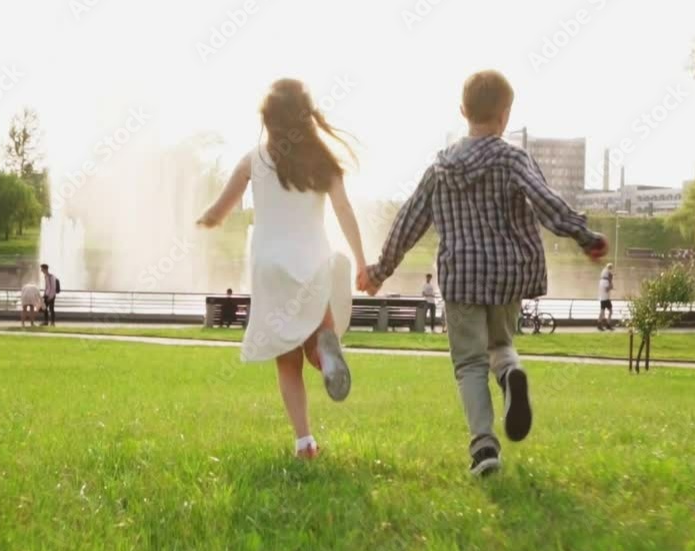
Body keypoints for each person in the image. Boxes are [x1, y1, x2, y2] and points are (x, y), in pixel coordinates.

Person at [358, 70, 607, 476]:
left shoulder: (440, 169)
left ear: (462, 111)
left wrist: (381, 270)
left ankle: (484, 448)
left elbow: (408, 222)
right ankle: (511, 376)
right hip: (507, 275)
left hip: (461, 278)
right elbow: (546, 200)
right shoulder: (512, 158)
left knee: (470, 363)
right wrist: (583, 234)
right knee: (501, 344)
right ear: (505, 115)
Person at [197, 78, 368, 460]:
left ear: (268, 120)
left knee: (287, 362)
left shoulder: (252, 160)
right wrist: (360, 260)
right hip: (314, 264)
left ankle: (304, 442)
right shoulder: (324, 164)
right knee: (319, 333)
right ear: (306, 118)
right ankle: (325, 356)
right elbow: (344, 211)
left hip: (271, 270)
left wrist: (202, 221)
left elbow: (220, 210)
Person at [598, 263, 614, 331]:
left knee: (606, 311)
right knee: (606, 311)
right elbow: (608, 288)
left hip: (604, 298)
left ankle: (605, 324)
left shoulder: (602, 280)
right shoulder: (605, 281)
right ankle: (601, 324)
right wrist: (611, 283)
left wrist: (610, 281)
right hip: (605, 298)